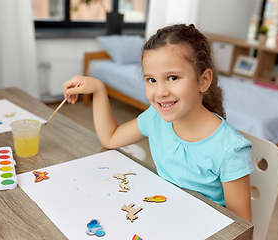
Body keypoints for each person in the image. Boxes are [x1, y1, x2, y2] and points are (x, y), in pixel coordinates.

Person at [64, 24, 254, 222]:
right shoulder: (155, 117)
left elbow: (241, 228)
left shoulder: (230, 149)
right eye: (151, 80)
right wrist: (98, 89)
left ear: (203, 80)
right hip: (162, 217)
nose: (160, 92)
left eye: (173, 77)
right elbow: (110, 138)